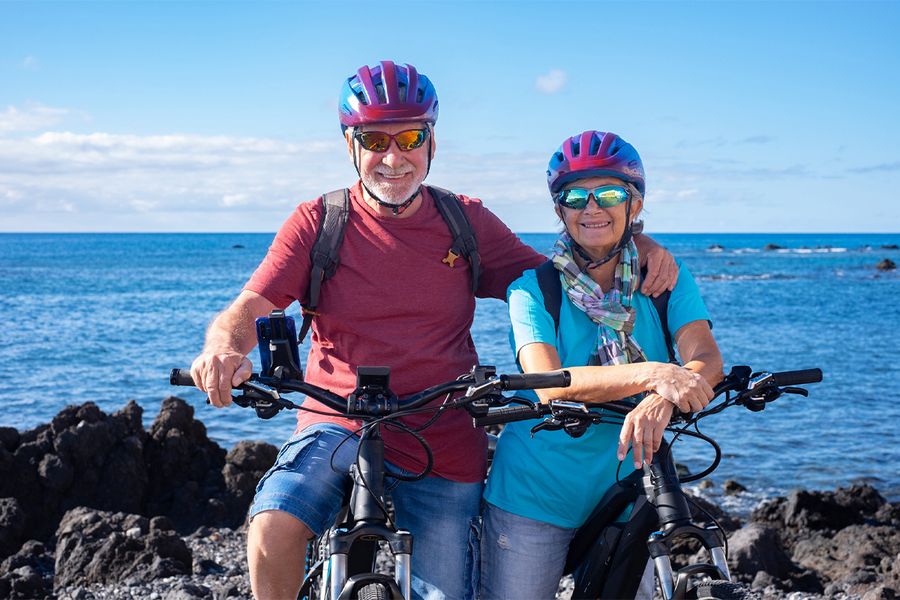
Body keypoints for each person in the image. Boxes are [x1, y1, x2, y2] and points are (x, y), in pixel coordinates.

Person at [189, 63, 677, 600]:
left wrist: (636, 242)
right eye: (374, 139)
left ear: (432, 143)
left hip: (442, 432)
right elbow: (250, 304)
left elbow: (564, 281)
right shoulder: (317, 222)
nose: (393, 157)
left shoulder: (464, 222)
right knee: (272, 528)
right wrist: (221, 348)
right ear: (350, 145)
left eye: (410, 137)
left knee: (445, 595)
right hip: (337, 419)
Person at [480, 130, 724, 599]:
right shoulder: (532, 290)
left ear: (634, 205)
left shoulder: (663, 279)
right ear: (559, 210)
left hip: (631, 489)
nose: (591, 208)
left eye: (609, 193)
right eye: (575, 196)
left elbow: (706, 358)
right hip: (535, 492)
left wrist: (661, 402)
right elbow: (548, 383)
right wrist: (655, 374)